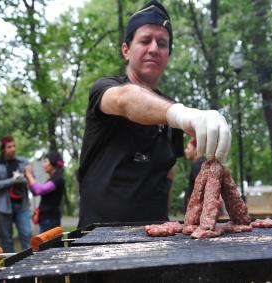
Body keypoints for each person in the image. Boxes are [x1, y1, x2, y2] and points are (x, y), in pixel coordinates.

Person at [77, 0, 231, 228]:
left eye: (162, 43)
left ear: (168, 54)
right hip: (98, 241)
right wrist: (182, 114)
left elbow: (168, 173)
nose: (153, 48)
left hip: (157, 239)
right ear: (126, 50)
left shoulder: (172, 112)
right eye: (145, 40)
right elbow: (126, 100)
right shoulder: (107, 89)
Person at [0, 136, 31, 252]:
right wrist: (12, 180)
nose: (13, 149)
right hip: (4, 207)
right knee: (6, 240)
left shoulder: (23, 162)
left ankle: (28, 264)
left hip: (22, 205)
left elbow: (30, 178)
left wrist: (21, 179)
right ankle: (11, 266)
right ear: (3, 149)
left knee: (26, 234)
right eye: (9, 147)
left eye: (14, 146)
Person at [24, 151, 66, 233]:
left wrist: (29, 175)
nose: (43, 165)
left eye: (45, 161)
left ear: (53, 163)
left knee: (48, 245)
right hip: (47, 219)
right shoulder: (52, 179)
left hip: (50, 219)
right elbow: (35, 192)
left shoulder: (57, 179)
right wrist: (29, 178)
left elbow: (39, 190)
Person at [183, 138, 206, 211]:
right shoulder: (203, 163)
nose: (185, 151)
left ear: (196, 149)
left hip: (198, 210)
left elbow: (200, 189)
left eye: (188, 148)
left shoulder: (198, 165)